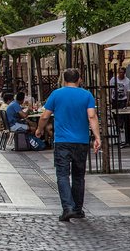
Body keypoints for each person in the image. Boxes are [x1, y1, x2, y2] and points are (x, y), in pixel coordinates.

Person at [36, 68, 101, 222]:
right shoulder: (87, 95)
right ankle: (78, 209)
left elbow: (45, 115)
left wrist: (39, 129)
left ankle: (68, 208)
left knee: (63, 175)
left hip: (62, 142)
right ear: (79, 80)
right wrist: (97, 137)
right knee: (79, 176)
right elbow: (92, 116)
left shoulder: (56, 94)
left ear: (63, 80)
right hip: (81, 141)